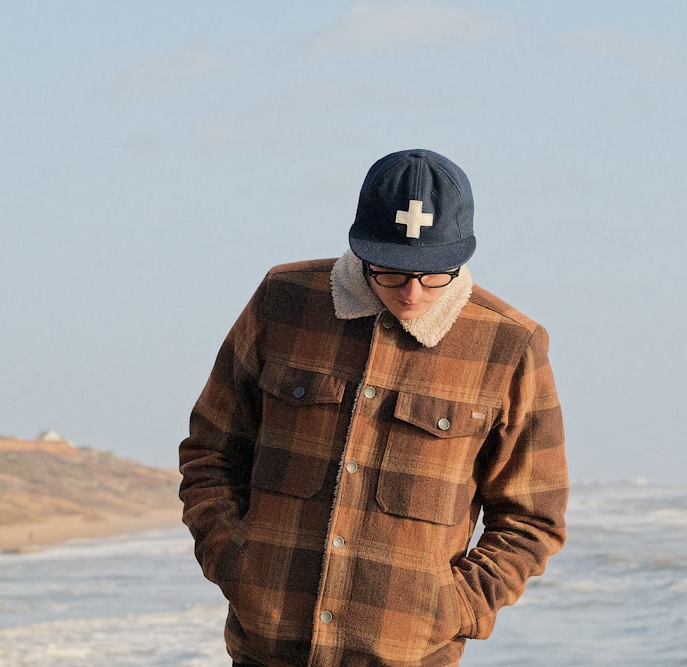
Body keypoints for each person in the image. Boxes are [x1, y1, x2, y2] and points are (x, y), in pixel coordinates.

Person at [179, 148, 568, 667]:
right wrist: (234, 560)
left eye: (434, 274)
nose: (412, 293)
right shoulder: (283, 301)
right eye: (391, 272)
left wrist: (455, 609)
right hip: (266, 650)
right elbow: (211, 450)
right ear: (361, 249)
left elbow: (533, 517)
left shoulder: (509, 345)